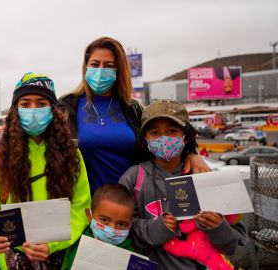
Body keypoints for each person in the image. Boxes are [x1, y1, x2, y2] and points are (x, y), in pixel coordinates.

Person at [58, 36, 210, 194]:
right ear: (86, 67)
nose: (101, 70)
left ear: (119, 70)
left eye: (108, 65)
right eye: (95, 64)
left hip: (133, 201)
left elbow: (163, 140)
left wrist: (191, 154)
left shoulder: (134, 109)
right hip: (85, 204)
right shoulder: (66, 106)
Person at [0, 72, 91, 270]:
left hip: (58, 258)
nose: (33, 110)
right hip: (13, 259)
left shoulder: (71, 153)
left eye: (41, 103)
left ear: (53, 109)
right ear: (15, 109)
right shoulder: (2, 151)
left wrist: (53, 244)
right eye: (25, 104)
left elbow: (81, 207)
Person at [119, 99, 247, 270]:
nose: (164, 138)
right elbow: (120, 229)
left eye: (172, 131)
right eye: (155, 132)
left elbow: (235, 244)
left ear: (186, 136)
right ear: (145, 139)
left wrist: (217, 227)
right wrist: (157, 228)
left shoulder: (206, 177)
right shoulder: (134, 178)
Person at [62, 183, 139, 269]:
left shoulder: (135, 255)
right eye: (105, 220)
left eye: (121, 224)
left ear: (130, 224)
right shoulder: (74, 242)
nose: (112, 229)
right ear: (89, 215)